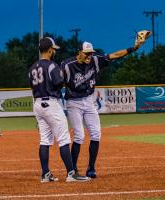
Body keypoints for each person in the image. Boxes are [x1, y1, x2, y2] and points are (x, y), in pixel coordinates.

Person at [61, 41, 142, 178]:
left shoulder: (95, 60)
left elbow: (115, 55)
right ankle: (72, 169)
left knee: (96, 134)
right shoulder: (67, 66)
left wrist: (133, 48)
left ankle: (91, 168)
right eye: (86, 53)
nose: (89, 55)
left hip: (88, 100)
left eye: (91, 53)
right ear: (79, 52)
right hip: (73, 102)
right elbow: (56, 81)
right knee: (79, 135)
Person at [29, 37, 90, 183]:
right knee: (64, 139)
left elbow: (32, 87)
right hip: (51, 103)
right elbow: (58, 83)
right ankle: (71, 173)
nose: (54, 52)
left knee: (44, 139)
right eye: (54, 49)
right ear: (49, 50)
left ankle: (45, 174)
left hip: (38, 103)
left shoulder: (32, 67)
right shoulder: (51, 65)